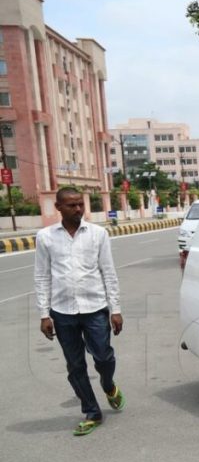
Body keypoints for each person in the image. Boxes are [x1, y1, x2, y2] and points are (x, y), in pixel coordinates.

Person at [33, 187, 126, 436]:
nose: (77, 209)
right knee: (75, 366)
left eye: (80, 204)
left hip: (95, 308)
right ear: (58, 207)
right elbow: (42, 277)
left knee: (104, 357)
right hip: (62, 312)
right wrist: (44, 314)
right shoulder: (45, 237)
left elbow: (108, 272)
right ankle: (92, 411)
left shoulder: (98, 234)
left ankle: (108, 385)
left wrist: (115, 309)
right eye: (71, 205)